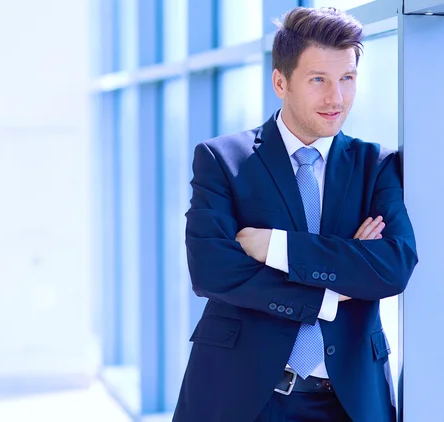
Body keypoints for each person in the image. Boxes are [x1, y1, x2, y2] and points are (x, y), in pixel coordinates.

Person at [172, 6, 418, 422]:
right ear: (280, 82)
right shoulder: (223, 160)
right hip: (242, 395)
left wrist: (276, 247)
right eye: (318, 79)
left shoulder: (377, 165)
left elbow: (392, 267)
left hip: (349, 400)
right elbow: (213, 271)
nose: (336, 97)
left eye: (347, 78)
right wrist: (333, 286)